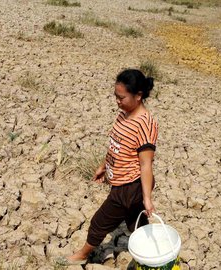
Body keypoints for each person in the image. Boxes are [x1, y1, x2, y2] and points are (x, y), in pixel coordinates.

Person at [56, 69, 158, 265]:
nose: (117, 101)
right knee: (134, 222)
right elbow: (115, 145)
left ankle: (82, 255)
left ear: (138, 96)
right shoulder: (123, 115)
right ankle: (153, 254)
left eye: (122, 97)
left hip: (130, 186)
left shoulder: (145, 124)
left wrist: (147, 198)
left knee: (99, 222)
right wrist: (103, 166)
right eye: (115, 96)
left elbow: (146, 164)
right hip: (122, 182)